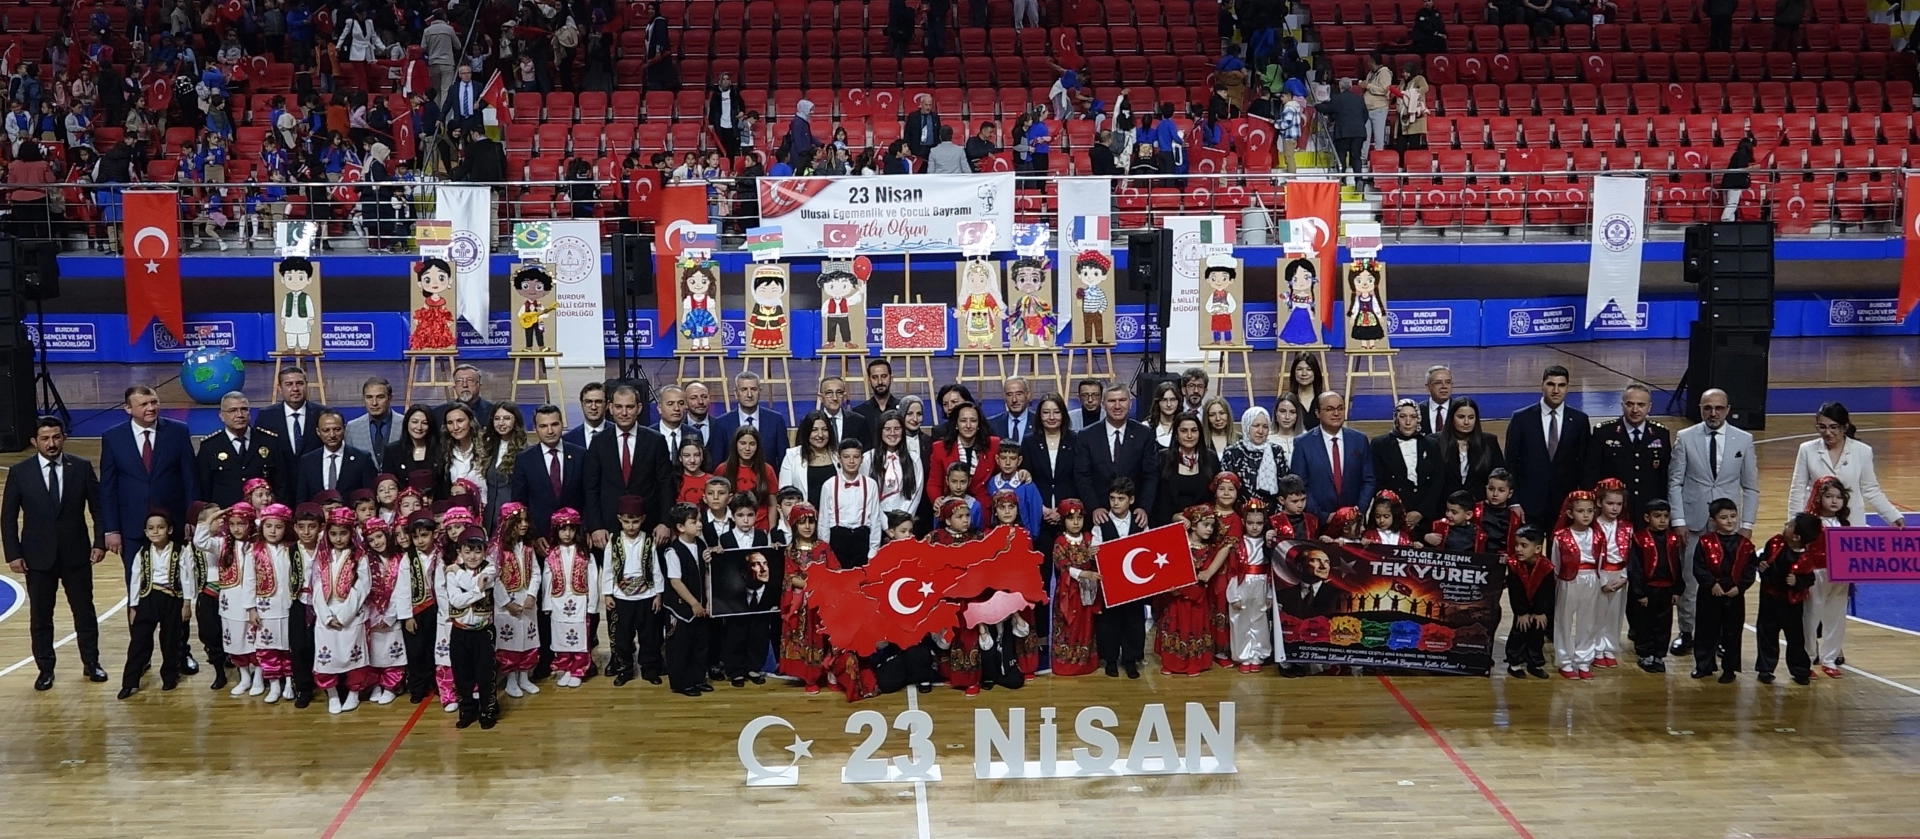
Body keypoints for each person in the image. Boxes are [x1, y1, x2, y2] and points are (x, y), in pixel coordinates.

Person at [3, 417, 108, 690]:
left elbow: (98, 510)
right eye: (45, 438)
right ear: (34, 442)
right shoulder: (20, 472)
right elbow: (8, 518)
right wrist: (13, 554)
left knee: (84, 613)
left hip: (77, 555)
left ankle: (92, 663)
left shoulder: (81, 467)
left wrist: (99, 543)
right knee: (40, 617)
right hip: (37, 558)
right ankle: (45, 669)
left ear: (64, 438)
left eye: (56, 437)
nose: (51, 443)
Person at [1667, 388, 1759, 657]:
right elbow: (1675, 482)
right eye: (1707, 408)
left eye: (1719, 408)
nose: (1713, 413)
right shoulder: (1685, 437)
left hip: (1728, 526)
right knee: (1690, 579)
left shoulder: (1744, 439)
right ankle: (1687, 632)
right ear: (1700, 409)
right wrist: (1678, 519)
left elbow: (1751, 487)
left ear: (1728, 410)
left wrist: (1747, 524)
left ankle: (1719, 636)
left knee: (1726, 580)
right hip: (1693, 521)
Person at [100, 386, 199, 564]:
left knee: (177, 576)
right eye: (144, 404)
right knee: (136, 577)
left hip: (173, 523)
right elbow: (108, 488)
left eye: (154, 402)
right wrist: (111, 529)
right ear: (128, 408)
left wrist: (192, 519)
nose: (151, 408)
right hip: (132, 526)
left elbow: (190, 479)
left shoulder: (178, 432)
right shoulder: (113, 437)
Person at [585, 384, 674, 546]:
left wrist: (665, 522)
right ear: (610, 408)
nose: (624, 413)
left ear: (639, 408)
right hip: (608, 528)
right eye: (619, 407)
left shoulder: (655, 441)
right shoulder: (599, 442)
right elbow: (591, 488)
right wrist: (595, 526)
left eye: (629, 407)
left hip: (649, 526)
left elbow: (666, 484)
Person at [119, 511, 196, 698]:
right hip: (149, 598)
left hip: (172, 599)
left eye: (160, 527)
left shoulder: (180, 551)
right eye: (151, 528)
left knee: (170, 640)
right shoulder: (143, 553)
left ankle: (170, 676)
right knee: (139, 641)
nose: (156, 532)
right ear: (145, 532)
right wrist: (133, 606)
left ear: (169, 530)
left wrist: (187, 603)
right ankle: (130, 682)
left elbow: (187, 578)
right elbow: (135, 579)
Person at [1505, 366, 1590, 525]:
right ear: (1542, 385)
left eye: (1561, 385)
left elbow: (1585, 465)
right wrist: (1513, 501)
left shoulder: (1580, 420)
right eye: (1551, 384)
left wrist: (1583, 501)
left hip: (1565, 505)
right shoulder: (1521, 419)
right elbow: (1510, 462)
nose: (1556, 390)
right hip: (1528, 504)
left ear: (1568, 388)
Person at [1691, 497, 1757, 683]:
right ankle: (1704, 665)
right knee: (1705, 631)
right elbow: (1699, 567)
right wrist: (1712, 584)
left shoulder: (1745, 545)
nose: (1729, 521)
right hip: (1710, 593)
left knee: (1732, 633)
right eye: (1724, 517)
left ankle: (1730, 669)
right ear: (1713, 521)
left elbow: (1750, 570)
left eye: (1733, 516)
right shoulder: (1704, 542)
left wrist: (1740, 587)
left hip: (1734, 595)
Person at [1582, 384, 1671, 518]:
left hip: (1649, 511)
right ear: (1622, 406)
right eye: (1630, 404)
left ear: (1649, 407)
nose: (1635, 410)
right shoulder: (1603, 433)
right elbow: (1590, 473)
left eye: (1641, 405)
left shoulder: (1660, 434)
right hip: (1613, 511)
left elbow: (1665, 476)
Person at [444, 523, 501, 729]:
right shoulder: (451, 573)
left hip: (483, 631)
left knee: (486, 674)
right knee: (462, 675)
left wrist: (464, 578)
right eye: (467, 552)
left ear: (485, 551)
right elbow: (456, 601)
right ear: (460, 552)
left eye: (477, 551)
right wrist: (477, 591)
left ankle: (488, 710)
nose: (472, 556)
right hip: (460, 631)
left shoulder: (490, 569)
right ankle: (467, 710)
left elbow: (475, 584)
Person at [197, 392, 290, 507]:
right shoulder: (210, 446)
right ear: (221, 415)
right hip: (225, 513)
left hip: (262, 513)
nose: (239, 415)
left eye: (244, 409)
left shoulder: (269, 442)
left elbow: (281, 483)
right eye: (233, 411)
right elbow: (204, 488)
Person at [510, 405, 587, 542]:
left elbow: (589, 496)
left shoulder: (580, 455)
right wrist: (534, 536)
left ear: (562, 425)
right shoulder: (524, 460)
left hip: (576, 536)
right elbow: (520, 503)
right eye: (543, 426)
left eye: (554, 424)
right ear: (535, 429)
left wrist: (586, 530)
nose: (550, 431)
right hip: (540, 539)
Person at [1291, 392, 1375, 518]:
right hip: (1317, 520)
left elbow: (1369, 480)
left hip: (1353, 520)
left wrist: (1358, 511)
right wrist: (1323, 516)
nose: (1336, 413)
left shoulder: (1359, 440)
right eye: (1330, 409)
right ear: (1318, 413)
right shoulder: (1303, 443)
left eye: (1340, 408)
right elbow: (1300, 485)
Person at [541, 509, 598, 688]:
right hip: (558, 601)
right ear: (556, 531)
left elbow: (592, 579)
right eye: (563, 529)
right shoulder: (551, 554)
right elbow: (547, 580)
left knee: (580, 635)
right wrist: (547, 604)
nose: (567, 534)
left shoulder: (585, 554)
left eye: (571, 529)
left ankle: (578, 669)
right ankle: (565, 668)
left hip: (580, 600)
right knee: (560, 635)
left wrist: (592, 604)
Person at [1627, 499, 1684, 673]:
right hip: (1647, 589)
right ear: (1647, 518)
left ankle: (1659, 654)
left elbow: (1677, 565)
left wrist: (1677, 589)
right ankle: (1645, 654)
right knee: (1645, 623)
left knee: (1663, 624)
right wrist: (1640, 592)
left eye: (1666, 516)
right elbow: (1635, 568)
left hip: (1666, 589)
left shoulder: (1673, 539)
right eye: (1657, 516)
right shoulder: (1639, 538)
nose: (1662, 520)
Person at [1551, 490, 1603, 680]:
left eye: (1590, 511)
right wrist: (1559, 581)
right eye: (1581, 511)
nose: (1586, 515)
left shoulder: (1597, 535)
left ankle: (1583, 659)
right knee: (1564, 619)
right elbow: (1555, 563)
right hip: (1568, 580)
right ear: (1570, 513)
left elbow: (1600, 560)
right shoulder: (1560, 536)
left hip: (1591, 578)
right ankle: (1564, 659)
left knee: (1588, 620)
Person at [1372, 399, 1443, 530]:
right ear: (1396, 419)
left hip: (1426, 518)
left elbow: (1437, 481)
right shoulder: (1380, 445)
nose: (1408, 422)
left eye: (1413, 417)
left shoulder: (1431, 445)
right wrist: (1397, 512)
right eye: (1403, 417)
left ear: (1418, 419)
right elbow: (1378, 482)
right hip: (1392, 518)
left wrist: (1421, 512)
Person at [821, 439, 885, 565]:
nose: (851, 461)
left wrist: (873, 551)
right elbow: (824, 520)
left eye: (856, 457)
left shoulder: (870, 484)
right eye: (846, 457)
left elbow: (875, 519)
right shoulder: (829, 485)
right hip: (838, 538)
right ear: (839, 458)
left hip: (862, 538)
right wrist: (825, 551)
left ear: (862, 459)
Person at [1504, 526, 1554, 679]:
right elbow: (1515, 592)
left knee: (1537, 634)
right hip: (1522, 609)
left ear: (1538, 548)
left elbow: (1546, 592)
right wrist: (1521, 612)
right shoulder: (1513, 565)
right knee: (1519, 632)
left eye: (1524, 546)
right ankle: (1515, 663)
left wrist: (1540, 612)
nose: (1518, 549)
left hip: (1538, 609)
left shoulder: (1547, 567)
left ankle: (1535, 663)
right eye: (1517, 545)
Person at [296, 410, 377, 504]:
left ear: (344, 429)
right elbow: (302, 500)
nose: (332, 435)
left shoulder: (362, 459)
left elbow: (369, 497)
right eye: (326, 430)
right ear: (318, 432)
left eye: (337, 429)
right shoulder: (307, 461)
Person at [711, 372, 789, 469]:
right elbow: (717, 463)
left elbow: (784, 460)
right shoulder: (722, 423)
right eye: (744, 389)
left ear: (759, 392)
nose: (749, 395)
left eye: (753, 389)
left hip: (767, 477)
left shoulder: (776, 420)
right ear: (736, 393)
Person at [253, 366, 327, 464]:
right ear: (280, 388)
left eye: (300, 383)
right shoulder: (266, 416)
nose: (295, 388)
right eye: (289, 384)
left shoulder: (323, 414)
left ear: (306, 385)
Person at [1440, 397, 1504, 503]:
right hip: (1444, 506)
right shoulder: (1435, 442)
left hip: (1479, 505)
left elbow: (1500, 476)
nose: (1466, 422)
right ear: (1451, 418)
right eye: (1461, 417)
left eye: (1471, 417)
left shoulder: (1489, 442)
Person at [346, 377, 405, 473]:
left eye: (380, 397)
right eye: (369, 397)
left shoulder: (405, 424)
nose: (374, 403)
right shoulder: (352, 428)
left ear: (390, 398)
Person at [1315, 82, 1369, 176]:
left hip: (1343, 132)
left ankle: (1342, 178)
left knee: (1341, 155)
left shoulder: (1337, 98)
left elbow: (1326, 108)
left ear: (1340, 86)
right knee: (1356, 156)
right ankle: (1358, 179)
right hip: (1358, 132)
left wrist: (1316, 105)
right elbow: (1365, 115)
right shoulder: (1359, 99)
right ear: (1351, 87)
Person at [563, 382, 613, 452]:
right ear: (581, 404)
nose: (593, 407)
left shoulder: (618, 434)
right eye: (588, 402)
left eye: (598, 402)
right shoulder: (568, 439)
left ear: (607, 405)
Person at [707, 72, 746, 159]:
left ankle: (730, 165)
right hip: (719, 125)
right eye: (723, 79)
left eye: (727, 79)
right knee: (721, 149)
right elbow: (712, 109)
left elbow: (741, 103)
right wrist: (711, 123)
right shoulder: (716, 94)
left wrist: (742, 112)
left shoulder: (734, 92)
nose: (725, 81)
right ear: (720, 81)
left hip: (732, 124)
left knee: (731, 150)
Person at [989, 377, 1037, 444]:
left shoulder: (1038, 422)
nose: (1014, 400)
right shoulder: (992, 424)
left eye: (1019, 394)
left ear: (1028, 395)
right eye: (1009, 395)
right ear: (1005, 397)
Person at [1719, 136, 1754, 222]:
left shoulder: (1738, 154)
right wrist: (1754, 168)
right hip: (1735, 183)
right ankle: (1725, 219)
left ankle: (1730, 222)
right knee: (1732, 204)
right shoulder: (1742, 155)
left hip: (1728, 182)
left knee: (1729, 204)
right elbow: (1741, 169)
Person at [1418, 365, 1454, 436]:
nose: (1444, 386)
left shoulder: (1459, 409)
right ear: (1428, 387)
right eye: (1438, 383)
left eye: (1448, 382)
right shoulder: (1418, 411)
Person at [906, 94, 942, 161]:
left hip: (932, 149)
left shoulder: (935, 117)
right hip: (917, 149)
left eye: (930, 105)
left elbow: (938, 132)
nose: (928, 107)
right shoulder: (913, 117)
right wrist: (908, 148)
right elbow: (907, 133)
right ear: (921, 104)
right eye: (926, 105)